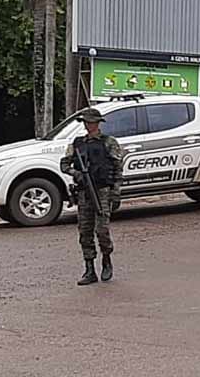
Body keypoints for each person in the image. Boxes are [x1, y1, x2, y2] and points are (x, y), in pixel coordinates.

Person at [60, 108, 125, 286]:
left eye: (91, 122)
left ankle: (106, 259)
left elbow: (118, 167)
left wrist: (116, 192)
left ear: (98, 123)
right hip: (83, 193)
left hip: (103, 191)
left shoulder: (109, 142)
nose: (89, 125)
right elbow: (64, 164)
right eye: (87, 122)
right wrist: (76, 173)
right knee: (85, 231)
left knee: (102, 230)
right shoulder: (78, 143)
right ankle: (89, 268)